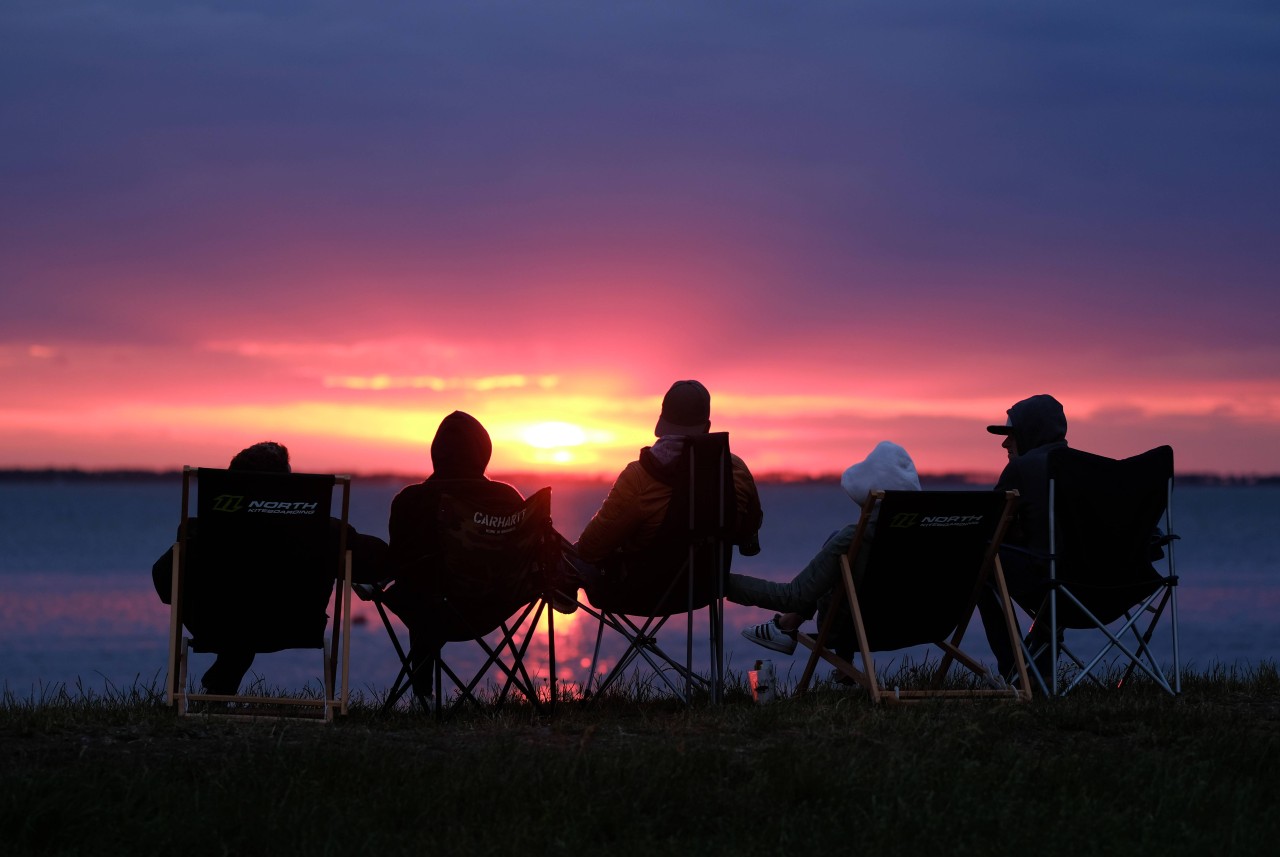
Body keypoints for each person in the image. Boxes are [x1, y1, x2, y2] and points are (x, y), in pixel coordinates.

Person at [151, 441, 389, 695]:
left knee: (242, 613)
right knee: (254, 611)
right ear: (287, 486)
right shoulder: (323, 532)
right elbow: (380, 564)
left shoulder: (202, 533)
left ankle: (221, 679)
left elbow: (166, 587)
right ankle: (225, 678)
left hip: (216, 624)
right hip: (295, 625)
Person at [382, 410, 548, 701]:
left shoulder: (410, 501)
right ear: (484, 452)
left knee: (421, 591)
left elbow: (400, 565)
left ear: (436, 453)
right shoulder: (506, 499)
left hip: (431, 612)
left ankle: (422, 694)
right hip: (495, 604)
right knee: (425, 589)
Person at [731, 441, 921, 655]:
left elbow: (792, 596)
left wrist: (722, 582)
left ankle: (787, 626)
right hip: (919, 624)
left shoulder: (854, 538)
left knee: (839, 547)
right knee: (841, 550)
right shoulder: (926, 533)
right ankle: (788, 625)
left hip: (851, 631)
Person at [573, 379, 764, 592]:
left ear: (661, 423)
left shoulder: (638, 478)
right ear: (707, 427)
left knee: (567, 558)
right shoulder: (735, 470)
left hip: (639, 593)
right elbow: (749, 533)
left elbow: (590, 550)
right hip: (703, 588)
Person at [975, 393, 1069, 679]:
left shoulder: (1021, 469)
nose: (1005, 443)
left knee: (981, 559)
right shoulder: (1091, 469)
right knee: (1059, 567)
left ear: (1031, 434)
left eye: (1012, 435)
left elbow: (987, 527)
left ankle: (1015, 670)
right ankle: (1039, 670)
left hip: (1051, 585)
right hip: (1105, 590)